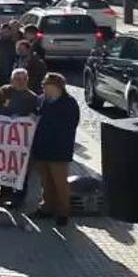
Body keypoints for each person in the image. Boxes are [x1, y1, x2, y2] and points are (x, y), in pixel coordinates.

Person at [31, 73, 80, 226]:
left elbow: (70, 125)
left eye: (47, 85)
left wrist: (46, 122)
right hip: (42, 146)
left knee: (60, 182)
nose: (44, 88)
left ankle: (63, 211)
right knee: (45, 181)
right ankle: (47, 207)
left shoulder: (69, 103)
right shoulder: (41, 100)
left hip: (59, 149)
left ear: (57, 86)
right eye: (43, 85)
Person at [0, 68, 39, 207]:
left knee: (21, 170)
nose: (21, 82)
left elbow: (35, 115)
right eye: (17, 79)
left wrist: (26, 118)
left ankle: (18, 198)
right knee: (5, 166)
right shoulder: (3, 92)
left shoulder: (32, 97)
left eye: (23, 79)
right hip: (3, 137)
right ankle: (4, 194)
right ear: (12, 80)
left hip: (22, 141)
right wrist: (8, 117)